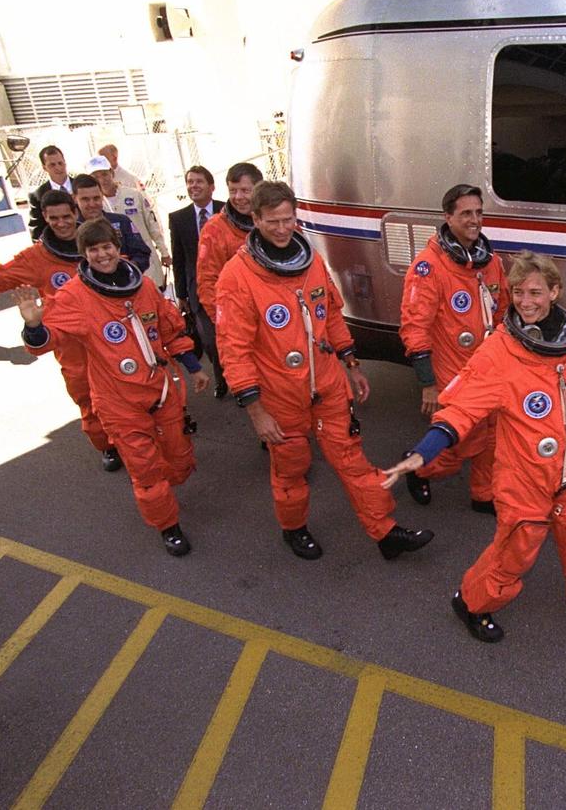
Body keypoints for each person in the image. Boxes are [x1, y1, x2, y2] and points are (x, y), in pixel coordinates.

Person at [383, 251, 566, 643]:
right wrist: (423, 453)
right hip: (524, 476)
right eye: (517, 292)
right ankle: (471, 603)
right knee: (515, 551)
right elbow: (461, 407)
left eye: (535, 292)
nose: (525, 301)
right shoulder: (498, 352)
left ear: (555, 291)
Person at [215, 181, 433, 562]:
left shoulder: (310, 259)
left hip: (327, 382)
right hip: (280, 395)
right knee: (291, 469)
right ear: (255, 219)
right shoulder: (237, 278)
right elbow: (234, 350)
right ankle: (294, 529)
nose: (283, 229)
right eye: (273, 222)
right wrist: (256, 411)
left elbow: (329, 313)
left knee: (352, 459)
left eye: (289, 220)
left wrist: (351, 363)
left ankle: (385, 531)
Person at [14, 217, 210, 556]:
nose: (102, 255)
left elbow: (168, 331)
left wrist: (194, 368)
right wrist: (33, 324)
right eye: (93, 250)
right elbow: (48, 339)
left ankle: (165, 488)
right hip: (119, 402)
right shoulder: (74, 296)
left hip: (160, 393)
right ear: (83, 256)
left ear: (119, 250)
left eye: (107, 247)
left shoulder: (144, 288)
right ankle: (168, 526)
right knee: (147, 471)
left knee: (178, 460)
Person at [0, 190, 120, 469]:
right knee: (87, 397)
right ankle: (107, 445)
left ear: (76, 212)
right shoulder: (36, 258)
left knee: (125, 390)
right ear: (44, 218)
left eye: (66, 216)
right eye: (53, 218)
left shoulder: (96, 244)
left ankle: (133, 437)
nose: (61, 223)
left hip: (110, 334)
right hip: (71, 343)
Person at [398, 183, 505, 514]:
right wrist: (427, 382)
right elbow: (414, 327)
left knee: (493, 433)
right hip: (452, 371)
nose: (474, 220)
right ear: (448, 217)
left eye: (478, 212)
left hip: (488, 367)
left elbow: (501, 315)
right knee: (461, 441)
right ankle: (420, 468)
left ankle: (483, 493)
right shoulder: (429, 266)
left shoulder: (490, 262)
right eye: (465, 214)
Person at [169, 166, 228, 398]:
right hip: (198, 292)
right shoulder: (179, 218)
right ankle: (222, 374)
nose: (194, 186)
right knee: (210, 341)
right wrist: (182, 294)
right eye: (190, 182)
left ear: (211, 187)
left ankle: (241, 377)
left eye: (199, 181)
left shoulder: (227, 211)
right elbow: (179, 257)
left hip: (228, 285)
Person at [86, 155, 172, 288]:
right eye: (96, 177)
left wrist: (164, 252)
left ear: (112, 173)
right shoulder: (94, 205)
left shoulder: (134, 195)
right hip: (115, 266)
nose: (102, 180)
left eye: (104, 174)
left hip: (145, 259)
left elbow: (152, 224)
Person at [196, 162, 260, 323]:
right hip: (240, 317)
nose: (238, 197)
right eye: (233, 191)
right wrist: (225, 323)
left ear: (259, 190)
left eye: (245, 191)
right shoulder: (214, 229)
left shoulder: (275, 221)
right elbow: (208, 283)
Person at [73, 174, 152, 272]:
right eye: (85, 199)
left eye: (96, 198)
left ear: (102, 196)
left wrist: (125, 268)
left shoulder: (122, 222)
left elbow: (142, 254)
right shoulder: (72, 230)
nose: (92, 204)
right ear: (74, 199)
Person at [28, 145, 74, 240]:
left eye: (60, 163)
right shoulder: (37, 196)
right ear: (44, 168)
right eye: (52, 165)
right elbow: (37, 229)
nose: (58, 168)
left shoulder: (80, 185)